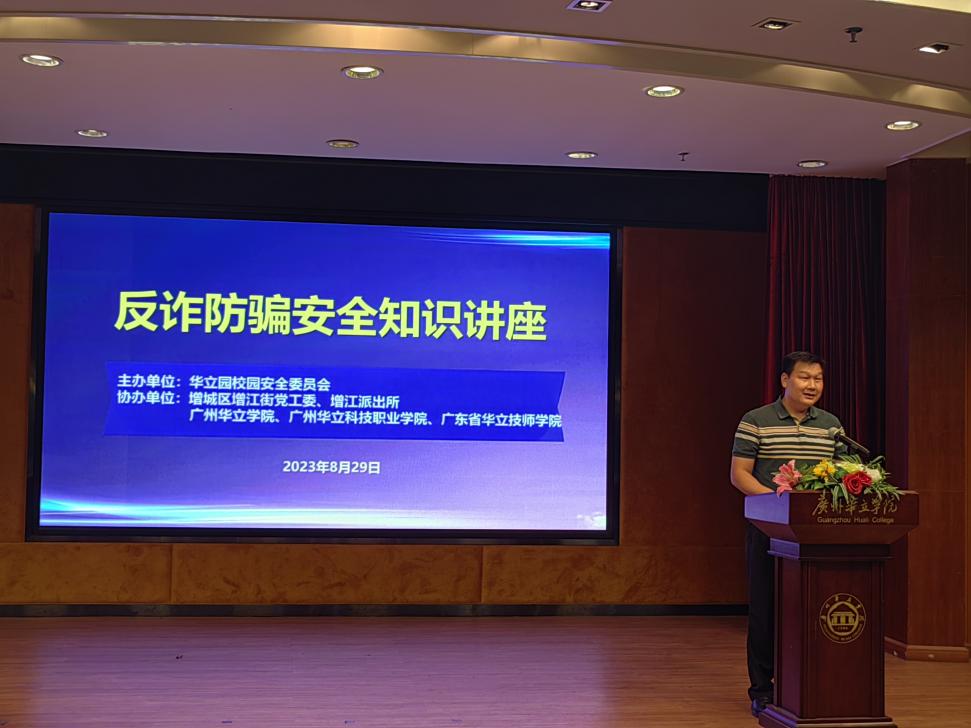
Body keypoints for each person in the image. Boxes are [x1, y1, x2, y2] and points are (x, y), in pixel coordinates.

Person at [730, 351, 844, 717]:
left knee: (811, 611)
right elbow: (740, 475)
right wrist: (778, 507)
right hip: (768, 529)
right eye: (804, 377)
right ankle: (762, 690)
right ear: (784, 380)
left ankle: (809, 685)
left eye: (818, 379)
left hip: (815, 534)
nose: (812, 385)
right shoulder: (756, 420)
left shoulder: (831, 426)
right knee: (765, 611)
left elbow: (841, 475)